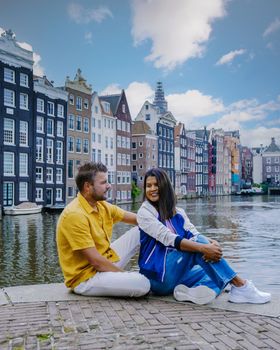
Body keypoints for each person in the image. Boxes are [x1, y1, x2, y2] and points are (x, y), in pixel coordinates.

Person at [137, 168, 271, 305]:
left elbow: (194, 233)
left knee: (215, 273)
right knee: (199, 250)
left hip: (176, 276)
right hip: (157, 277)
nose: (152, 189)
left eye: (156, 185)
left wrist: (212, 244)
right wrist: (205, 247)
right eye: (149, 186)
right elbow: (169, 238)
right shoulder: (144, 212)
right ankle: (240, 285)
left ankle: (191, 292)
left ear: (165, 186)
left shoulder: (178, 212)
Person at [56, 162, 150, 297]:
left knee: (143, 230)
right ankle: (130, 279)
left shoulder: (102, 205)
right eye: (104, 182)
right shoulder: (74, 215)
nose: (109, 186)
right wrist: (124, 276)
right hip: (86, 278)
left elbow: (139, 220)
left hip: (105, 260)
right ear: (88, 186)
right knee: (143, 284)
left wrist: (169, 222)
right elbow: (96, 262)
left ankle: (159, 266)